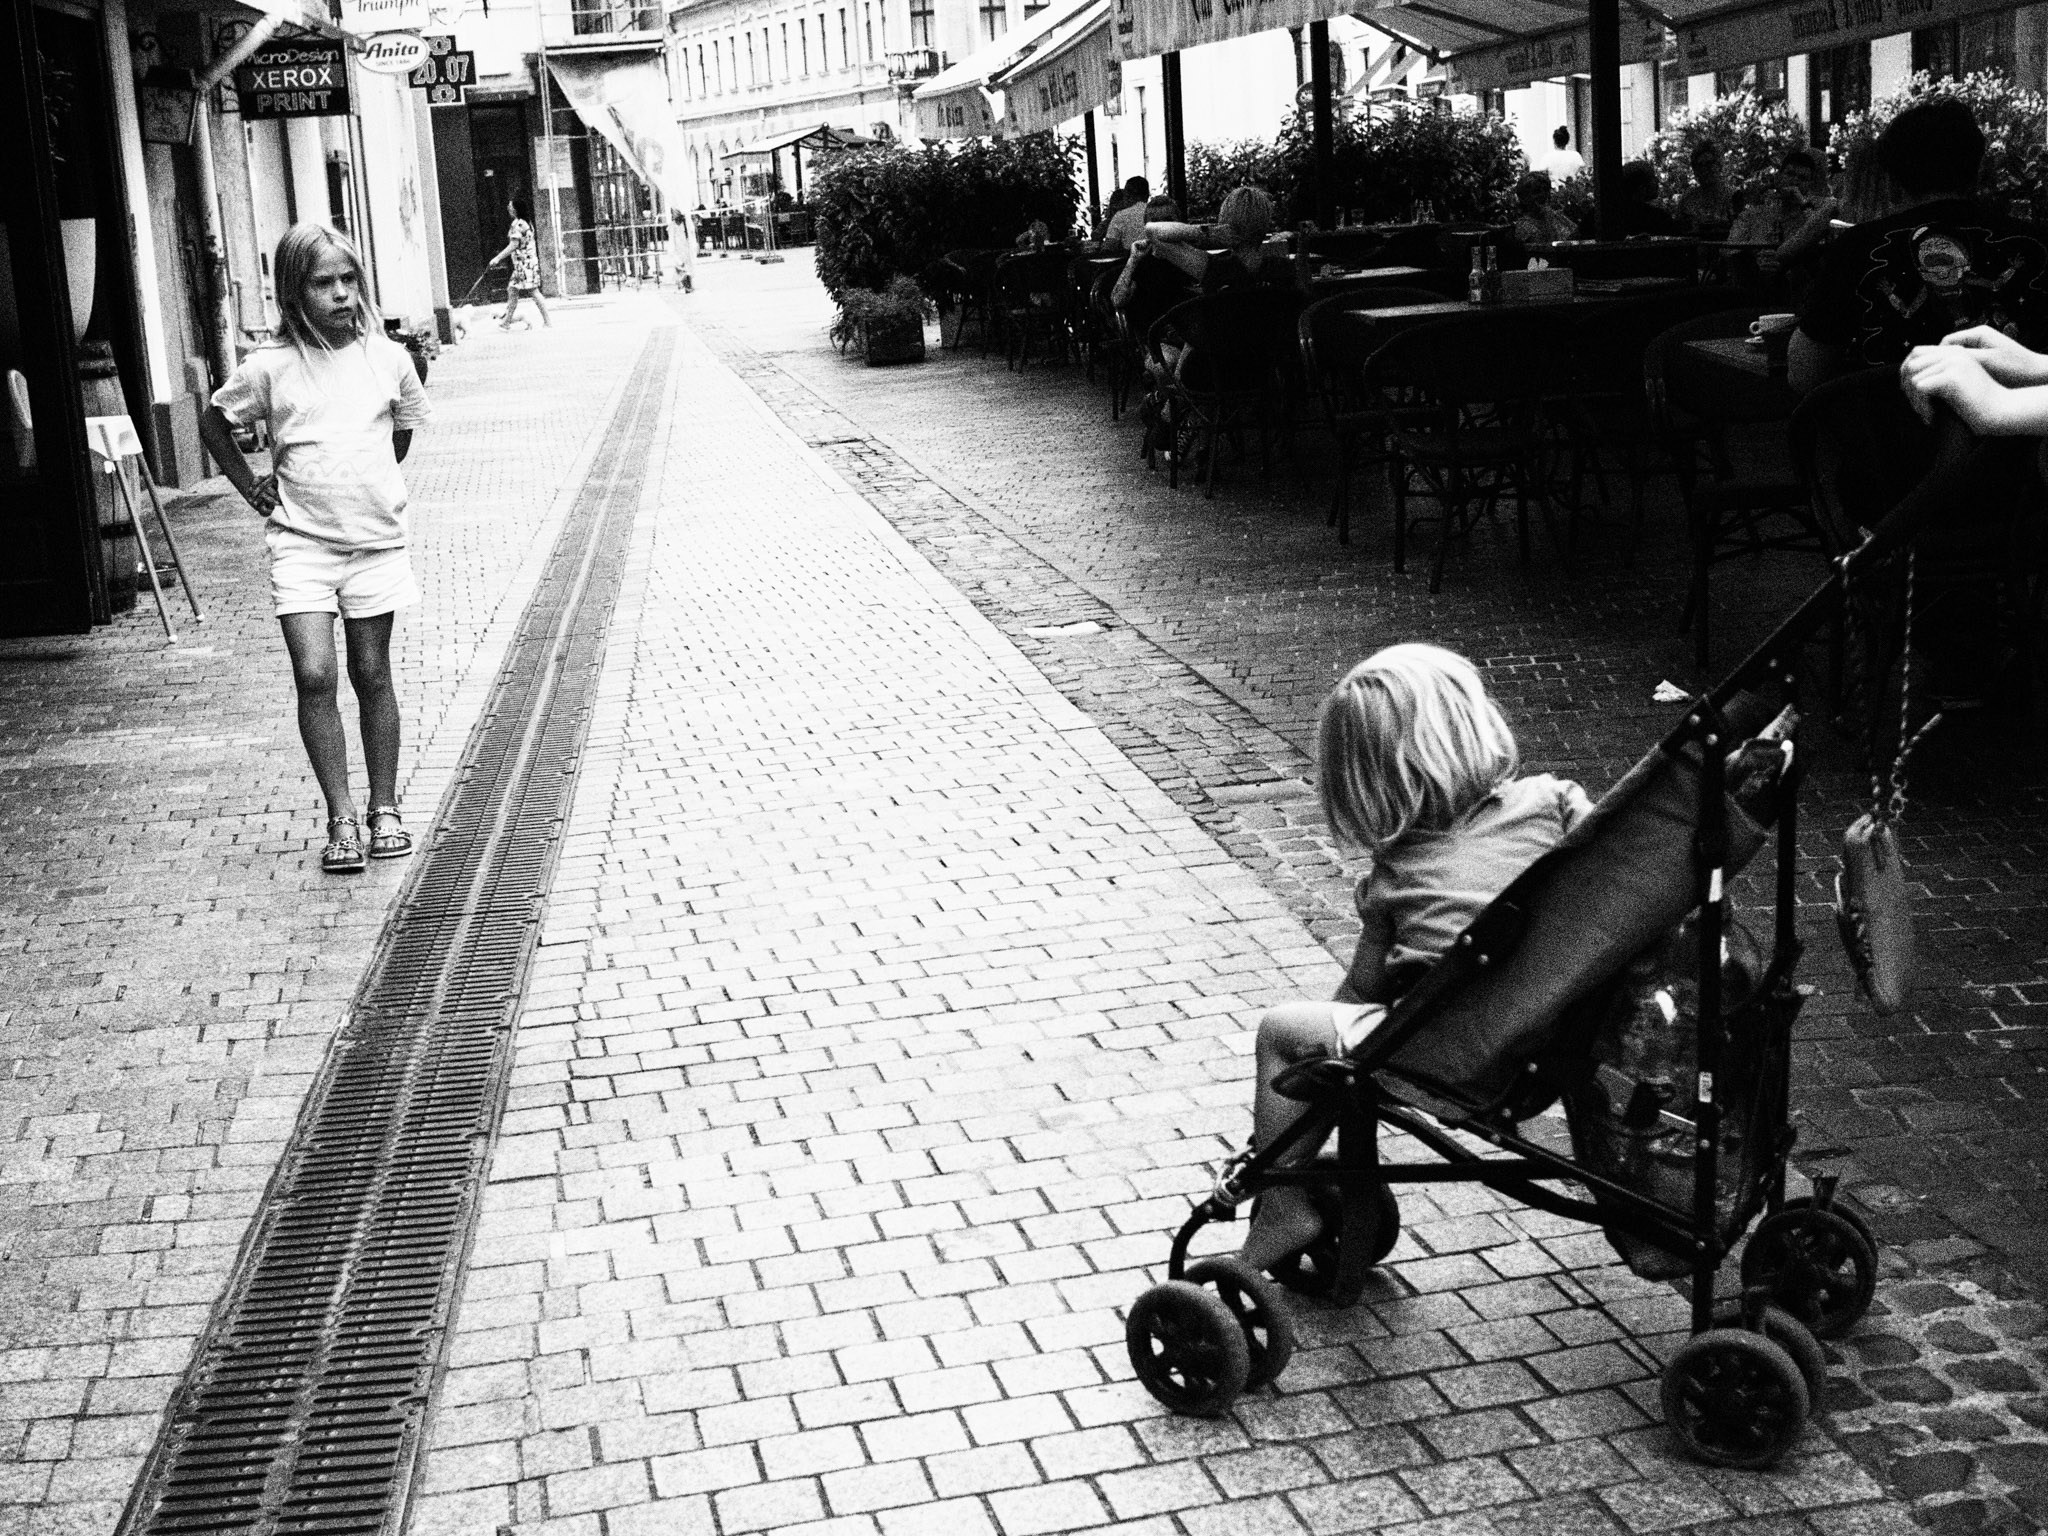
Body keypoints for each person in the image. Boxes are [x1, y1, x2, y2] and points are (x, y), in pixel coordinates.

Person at [1227, 644, 1594, 1273]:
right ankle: (1303, 1181)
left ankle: (1282, 1196)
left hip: (1455, 1060)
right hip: (1561, 1039)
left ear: (1371, 783)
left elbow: (1361, 998)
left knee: (1287, 1033)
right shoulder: (1556, 803)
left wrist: (1312, 1076)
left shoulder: (1396, 875)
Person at [195, 223, 433, 875]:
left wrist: (367, 481)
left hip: (375, 545)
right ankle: (341, 818)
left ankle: (384, 808)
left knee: (372, 672)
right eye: (322, 283)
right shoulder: (270, 369)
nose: (339, 294)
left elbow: (401, 433)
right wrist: (249, 487)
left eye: (348, 279)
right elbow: (215, 419)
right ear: (294, 292)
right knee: (315, 674)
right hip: (300, 546)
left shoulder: (389, 360)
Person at [1791, 96, 2048, 393]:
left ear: (1891, 179)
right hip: (2019, 433)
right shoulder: (2037, 244)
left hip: (1890, 434)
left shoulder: (1856, 247)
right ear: (1977, 170)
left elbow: (1803, 374)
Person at [486, 196, 551, 330]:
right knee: (512, 290)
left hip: (524, 264)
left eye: (511, 206)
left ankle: (547, 321)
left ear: (516, 209)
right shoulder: (526, 223)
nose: (508, 208)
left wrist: (497, 258)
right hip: (524, 264)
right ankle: (507, 322)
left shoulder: (518, 224)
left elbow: (513, 245)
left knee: (533, 291)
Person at [1675, 141, 1735, 237]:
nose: (1705, 170)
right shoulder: (1688, 198)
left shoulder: (1732, 196)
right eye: (1700, 165)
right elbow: (1679, 230)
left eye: (1709, 164)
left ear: (1719, 166)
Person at [1610, 160, 1679, 237]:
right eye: (1653, 177)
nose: (1657, 181)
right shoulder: (1657, 218)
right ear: (1642, 187)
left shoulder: (1609, 216)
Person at [1510, 171, 1575, 249]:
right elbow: (1546, 248)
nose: (1543, 194)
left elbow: (1576, 235)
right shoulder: (1523, 225)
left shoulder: (1557, 216)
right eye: (1537, 191)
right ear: (1524, 198)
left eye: (1545, 190)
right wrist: (1548, 216)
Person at [1101, 176, 1153, 250]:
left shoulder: (1121, 216)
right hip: (1161, 260)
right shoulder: (1159, 213)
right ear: (1147, 195)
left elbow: (1109, 247)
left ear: (1127, 196)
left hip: (1131, 259)